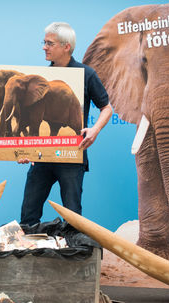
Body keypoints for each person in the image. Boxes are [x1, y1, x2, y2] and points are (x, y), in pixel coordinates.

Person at [19, 22, 112, 226]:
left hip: (71, 156)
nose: (44, 47)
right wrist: (26, 150)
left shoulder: (86, 74)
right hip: (42, 156)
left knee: (73, 218)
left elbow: (107, 108)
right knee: (28, 215)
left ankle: (73, 255)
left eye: (49, 43)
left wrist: (95, 130)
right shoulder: (42, 78)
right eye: (44, 42)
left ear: (66, 46)